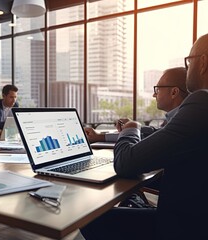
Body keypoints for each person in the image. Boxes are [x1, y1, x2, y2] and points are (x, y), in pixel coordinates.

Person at [80, 33, 208, 240]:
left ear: (202, 62)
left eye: (189, 61)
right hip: (196, 220)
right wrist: (103, 136)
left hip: (180, 228)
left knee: (88, 216)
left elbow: (126, 163)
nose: (187, 69)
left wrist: (131, 128)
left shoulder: (202, 102)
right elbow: (160, 135)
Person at [85, 67, 189, 143]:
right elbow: (152, 134)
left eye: (158, 89)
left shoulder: (182, 126)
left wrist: (131, 128)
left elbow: (126, 161)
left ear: (174, 92)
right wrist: (99, 136)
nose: (154, 94)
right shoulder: (179, 120)